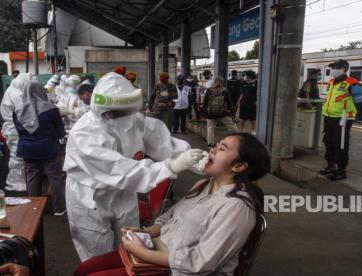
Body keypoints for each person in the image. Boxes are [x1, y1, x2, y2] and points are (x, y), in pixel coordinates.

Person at [74, 133, 270, 276]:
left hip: (174, 269)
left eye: (222, 148)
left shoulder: (236, 207)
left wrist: (142, 253)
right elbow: (169, 217)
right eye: (216, 145)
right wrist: (149, 231)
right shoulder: (202, 185)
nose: (212, 149)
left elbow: (201, 262)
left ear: (238, 166)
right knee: (84, 268)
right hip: (155, 251)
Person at [64, 72, 204, 261]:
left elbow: (164, 143)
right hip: (91, 196)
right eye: (115, 112)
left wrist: (200, 160)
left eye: (124, 111)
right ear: (101, 108)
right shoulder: (85, 133)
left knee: (128, 245)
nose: (121, 116)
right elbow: (120, 170)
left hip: (125, 192)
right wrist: (170, 167)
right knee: (97, 251)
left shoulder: (133, 119)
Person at [13, 81, 66, 215]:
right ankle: (59, 208)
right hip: (49, 147)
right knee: (55, 177)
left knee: (32, 177)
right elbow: (60, 131)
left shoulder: (18, 110)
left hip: (28, 148)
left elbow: (19, 131)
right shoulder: (51, 109)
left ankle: (35, 208)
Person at [319, 59, 362, 181]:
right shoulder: (332, 82)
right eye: (333, 67)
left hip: (342, 118)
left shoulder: (352, 83)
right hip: (329, 117)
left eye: (336, 67)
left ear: (345, 69)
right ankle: (330, 166)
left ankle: (341, 170)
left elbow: (360, 102)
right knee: (328, 142)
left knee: (341, 144)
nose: (333, 70)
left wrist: (354, 116)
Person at [0, 73, 31, 192]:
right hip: (14, 128)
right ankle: (16, 183)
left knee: (17, 154)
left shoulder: (11, 90)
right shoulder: (16, 94)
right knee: (18, 155)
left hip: (12, 127)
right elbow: (23, 111)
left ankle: (18, 180)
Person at [203, 77, 238, 147]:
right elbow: (229, 103)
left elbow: (205, 102)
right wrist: (232, 112)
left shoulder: (209, 90)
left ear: (214, 82)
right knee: (233, 127)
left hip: (211, 114)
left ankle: (210, 144)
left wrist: (206, 112)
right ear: (222, 82)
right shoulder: (225, 91)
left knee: (210, 129)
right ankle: (236, 140)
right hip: (222, 114)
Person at [238, 71, 258, 135]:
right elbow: (242, 94)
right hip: (243, 104)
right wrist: (238, 102)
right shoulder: (245, 83)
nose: (245, 77)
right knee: (242, 118)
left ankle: (253, 131)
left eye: (246, 76)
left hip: (252, 104)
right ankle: (242, 131)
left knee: (253, 118)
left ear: (249, 76)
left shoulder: (257, 83)